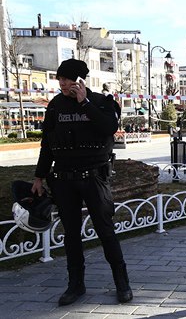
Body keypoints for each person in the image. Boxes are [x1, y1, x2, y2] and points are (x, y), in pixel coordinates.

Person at [31, 59, 133, 306]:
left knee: (105, 231)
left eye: (66, 79)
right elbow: (47, 144)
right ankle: (75, 285)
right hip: (64, 180)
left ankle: (122, 284)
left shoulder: (101, 102)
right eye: (60, 79)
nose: (62, 84)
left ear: (79, 80)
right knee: (71, 236)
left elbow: (109, 126)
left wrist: (84, 103)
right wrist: (39, 176)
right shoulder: (55, 106)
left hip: (94, 178)